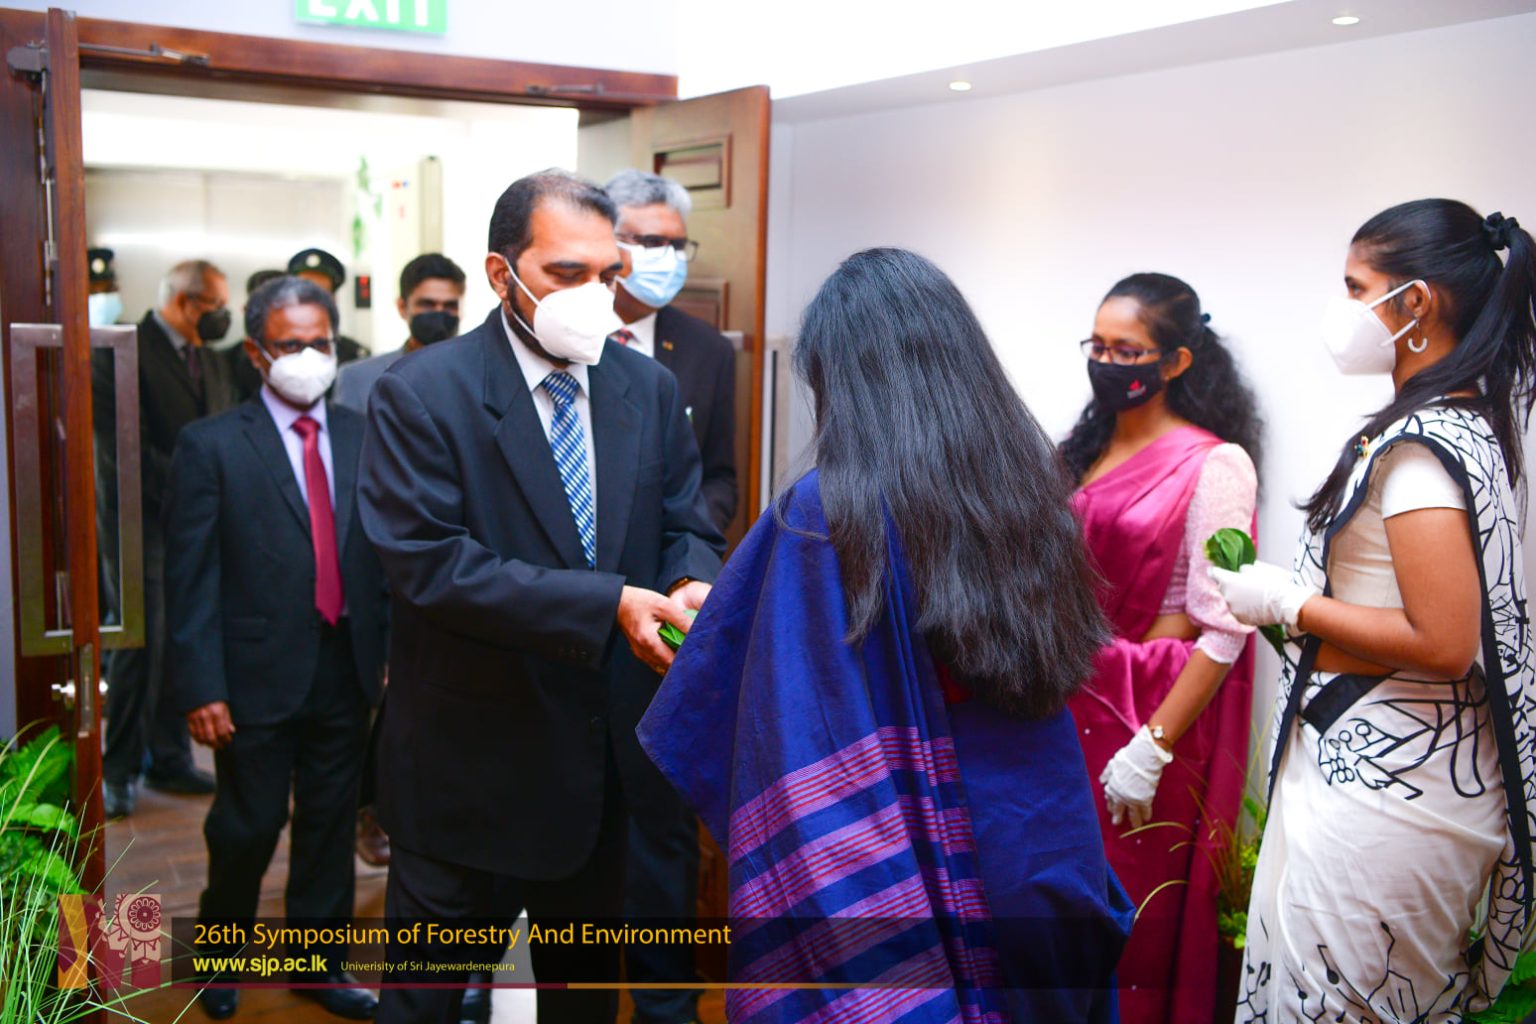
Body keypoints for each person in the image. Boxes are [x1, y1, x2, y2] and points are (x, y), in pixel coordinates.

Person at [639, 248, 1133, 1023]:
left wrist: (728, 623)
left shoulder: (825, 510)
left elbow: (796, 702)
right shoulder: (1028, 481)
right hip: (1040, 829)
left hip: (910, 840)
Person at [357, 169, 724, 1024]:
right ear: (501, 274)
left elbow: (685, 519)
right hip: (465, 766)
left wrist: (689, 579)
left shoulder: (646, 388)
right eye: (567, 273)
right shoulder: (422, 393)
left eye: (608, 274)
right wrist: (609, 604)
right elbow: (430, 564)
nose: (596, 295)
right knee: (425, 1005)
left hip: (596, 769)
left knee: (578, 1001)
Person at [1212, 200, 1536, 1023]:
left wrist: (1291, 601)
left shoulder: (1423, 448)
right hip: (1398, 763)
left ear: (1415, 303)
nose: (1344, 306)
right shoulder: (1468, 424)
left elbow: (1445, 641)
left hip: (1391, 788)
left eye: (1357, 287)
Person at [165, 275, 388, 1021]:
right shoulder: (211, 445)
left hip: (347, 664)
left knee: (329, 825)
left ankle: (318, 967)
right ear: (257, 353)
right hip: (252, 673)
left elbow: (385, 554)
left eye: (321, 343)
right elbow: (190, 578)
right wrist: (201, 685)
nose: (309, 358)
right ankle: (218, 957)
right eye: (291, 346)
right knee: (248, 824)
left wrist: (390, 650)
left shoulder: (364, 433)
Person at [1056, 273, 1262, 1023]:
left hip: (1141, 722)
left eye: (1128, 351)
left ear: (1175, 362)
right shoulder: (1082, 450)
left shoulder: (1215, 464)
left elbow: (1224, 626)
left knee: (1130, 924)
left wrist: (1152, 746)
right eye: (1098, 346)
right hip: (1061, 707)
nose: (1108, 363)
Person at [93, 259, 246, 817]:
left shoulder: (211, 359)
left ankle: (169, 756)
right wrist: (199, 485)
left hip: (200, 521)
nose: (223, 317)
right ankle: (117, 769)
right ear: (185, 301)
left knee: (186, 633)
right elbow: (123, 450)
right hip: (142, 520)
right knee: (142, 640)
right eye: (216, 306)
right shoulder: (123, 352)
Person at [606, 169, 738, 534]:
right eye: (651, 242)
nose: (668, 257)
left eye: (677, 245)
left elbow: (718, 478)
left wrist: (690, 547)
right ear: (607, 244)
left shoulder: (709, 350)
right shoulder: (568, 335)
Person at [334, 253, 466, 413]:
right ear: (402, 307)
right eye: (427, 304)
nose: (439, 313)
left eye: (450, 306)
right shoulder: (358, 378)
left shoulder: (479, 375)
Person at [289, 247, 370, 364]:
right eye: (304, 292)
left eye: (320, 293)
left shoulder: (355, 356)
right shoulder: (270, 350)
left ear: (333, 300)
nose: (311, 301)